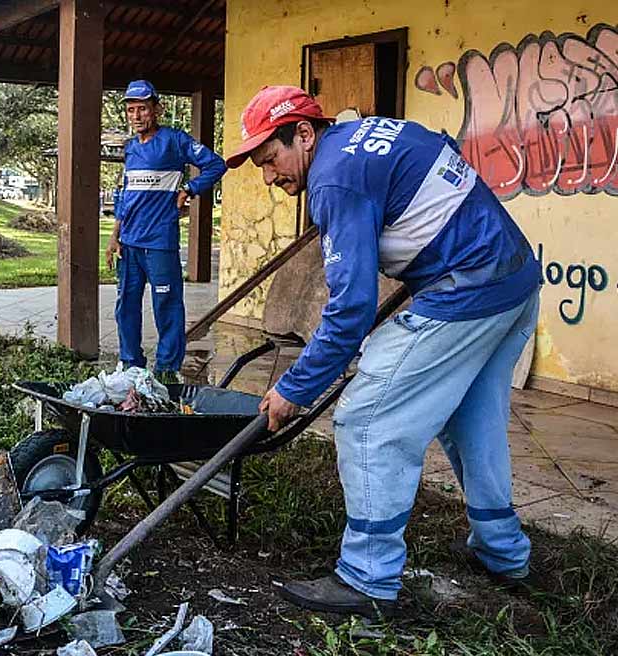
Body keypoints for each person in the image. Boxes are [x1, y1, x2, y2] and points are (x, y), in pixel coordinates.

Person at [225, 86, 542, 617]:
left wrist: (294, 390)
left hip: (466, 288)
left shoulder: (332, 179)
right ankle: (504, 553)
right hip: (513, 279)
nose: (270, 177)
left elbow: (350, 309)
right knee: (472, 419)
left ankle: (368, 578)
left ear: (303, 134)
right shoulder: (365, 135)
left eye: (270, 159)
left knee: (368, 418)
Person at [106, 80, 227, 379]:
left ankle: (166, 371)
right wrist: (113, 236)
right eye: (131, 110)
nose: (136, 116)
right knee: (126, 307)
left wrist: (190, 189)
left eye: (142, 109)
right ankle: (131, 365)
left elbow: (216, 164)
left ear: (156, 109)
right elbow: (126, 194)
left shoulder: (175, 140)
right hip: (129, 244)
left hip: (160, 242)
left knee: (167, 306)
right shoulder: (131, 148)